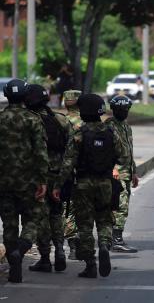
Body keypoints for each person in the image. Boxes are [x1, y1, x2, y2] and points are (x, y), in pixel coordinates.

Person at [53, 93, 129, 278]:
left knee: (85, 225)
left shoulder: (79, 133)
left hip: (83, 185)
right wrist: (113, 168)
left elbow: (68, 163)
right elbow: (124, 156)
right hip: (106, 184)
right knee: (104, 220)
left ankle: (90, 264)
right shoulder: (111, 132)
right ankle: (104, 245)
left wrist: (57, 185)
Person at [0, 79, 49, 283]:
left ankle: (15, 269)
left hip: (3, 182)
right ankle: (20, 249)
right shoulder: (33, 119)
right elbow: (40, 152)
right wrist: (43, 180)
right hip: (28, 181)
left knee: (9, 225)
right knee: (33, 219)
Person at [24, 84, 72, 273]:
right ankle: (60, 249)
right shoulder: (60, 119)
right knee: (56, 215)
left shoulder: (28, 121)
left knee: (41, 218)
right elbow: (71, 150)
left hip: (37, 178)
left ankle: (45, 258)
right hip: (58, 177)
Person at [106, 95, 140, 253]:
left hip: (127, 172)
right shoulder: (109, 126)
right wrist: (111, 168)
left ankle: (113, 238)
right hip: (116, 173)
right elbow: (107, 150)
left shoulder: (126, 126)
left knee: (122, 206)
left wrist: (134, 171)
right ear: (114, 110)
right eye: (121, 109)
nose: (124, 111)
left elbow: (129, 150)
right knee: (119, 206)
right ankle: (116, 239)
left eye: (126, 109)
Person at [61, 90, 83, 260]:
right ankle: (75, 247)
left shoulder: (59, 121)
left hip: (61, 172)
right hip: (81, 172)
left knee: (62, 209)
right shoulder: (85, 122)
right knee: (76, 211)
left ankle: (58, 245)